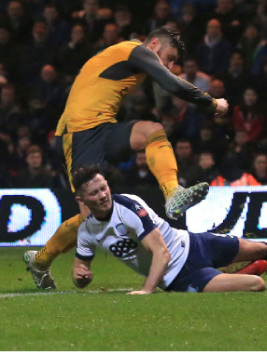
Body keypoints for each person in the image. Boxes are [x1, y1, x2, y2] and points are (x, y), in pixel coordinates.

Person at [24, 27, 229, 291]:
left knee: (152, 131)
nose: (169, 65)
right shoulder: (135, 50)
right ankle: (39, 260)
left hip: (103, 127)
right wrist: (212, 103)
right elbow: (170, 82)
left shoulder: (131, 58)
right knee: (91, 219)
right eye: (169, 57)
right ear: (154, 44)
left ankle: (172, 193)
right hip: (80, 132)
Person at [71, 166, 267, 294]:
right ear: (82, 200)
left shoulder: (128, 206)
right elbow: (79, 270)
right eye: (95, 193)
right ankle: (237, 275)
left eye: (104, 187)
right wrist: (81, 277)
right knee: (256, 284)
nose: (104, 195)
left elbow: (161, 252)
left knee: (263, 248)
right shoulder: (87, 233)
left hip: (193, 243)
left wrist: (147, 290)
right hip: (181, 276)